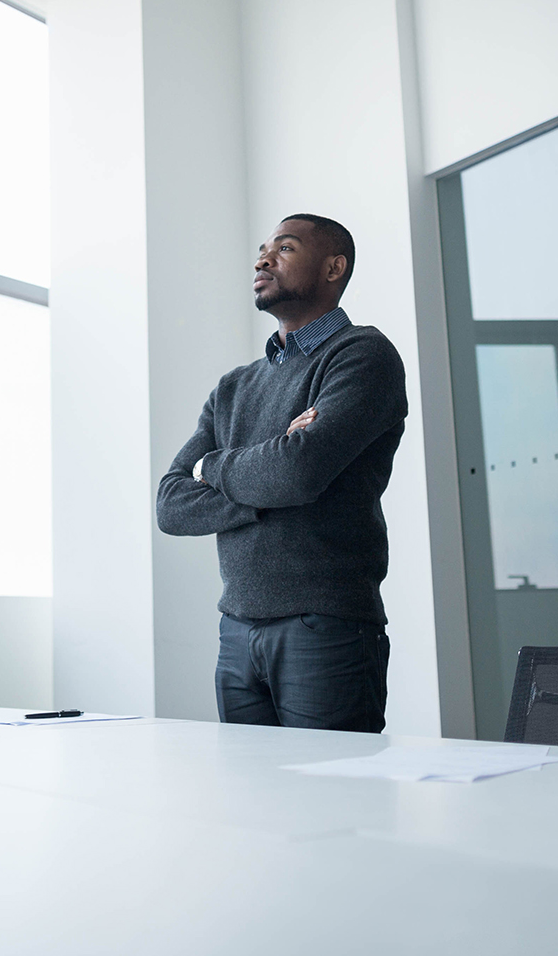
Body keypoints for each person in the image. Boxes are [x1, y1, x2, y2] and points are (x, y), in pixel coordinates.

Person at [155, 213, 408, 733]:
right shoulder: (233, 387)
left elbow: (298, 472)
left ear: (334, 267)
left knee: (332, 803)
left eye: (285, 249)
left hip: (325, 626)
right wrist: (273, 471)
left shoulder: (361, 355)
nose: (262, 259)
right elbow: (171, 505)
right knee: (252, 806)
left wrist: (214, 467)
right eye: (263, 249)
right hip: (236, 628)